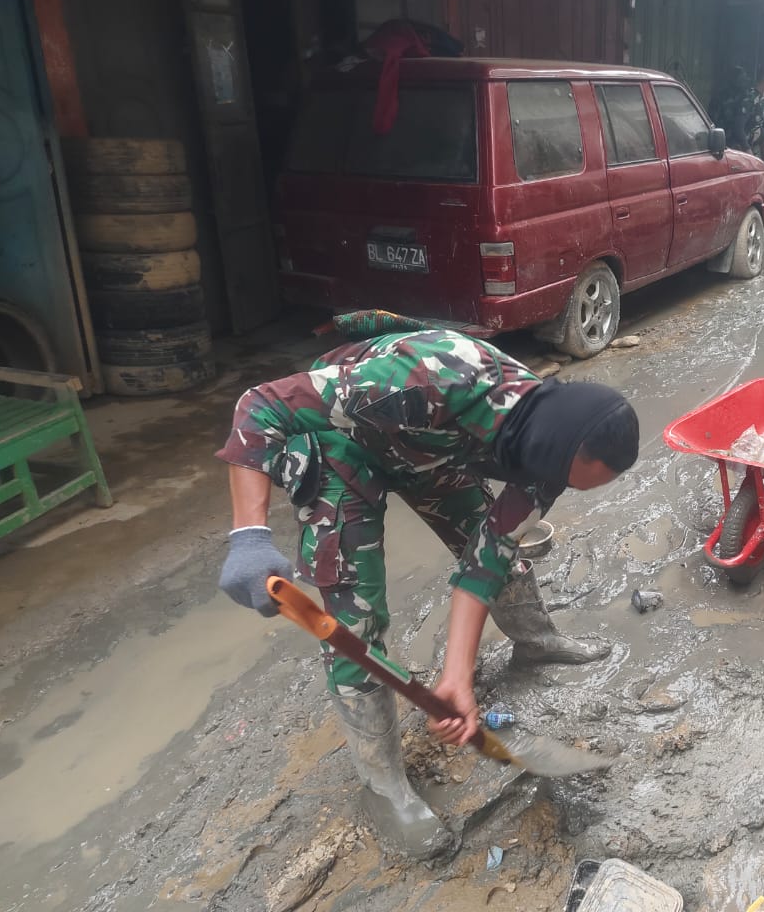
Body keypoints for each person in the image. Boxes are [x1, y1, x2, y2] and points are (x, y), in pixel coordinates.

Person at [215, 313, 639, 860]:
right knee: (356, 621)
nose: (560, 489)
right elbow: (259, 406)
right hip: (344, 445)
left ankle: (535, 643)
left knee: (505, 559)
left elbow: (486, 560)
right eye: (568, 478)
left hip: (433, 454)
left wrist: (455, 678)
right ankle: (382, 784)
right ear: (557, 448)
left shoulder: (545, 458)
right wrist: (248, 535)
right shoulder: (425, 378)